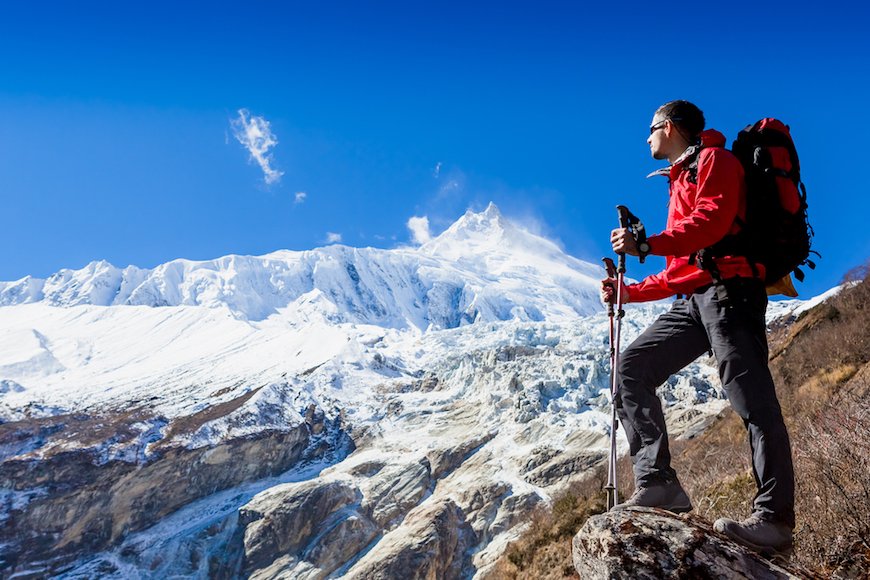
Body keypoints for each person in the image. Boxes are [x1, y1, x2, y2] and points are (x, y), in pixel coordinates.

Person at [600, 100, 795, 557]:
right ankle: (658, 483)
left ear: (669, 128)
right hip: (695, 300)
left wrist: (646, 243)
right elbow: (679, 269)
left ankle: (775, 519)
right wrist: (628, 291)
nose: (646, 138)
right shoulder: (681, 178)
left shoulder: (715, 161)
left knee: (753, 402)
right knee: (633, 367)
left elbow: (711, 223)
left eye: (650, 129)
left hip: (731, 292)